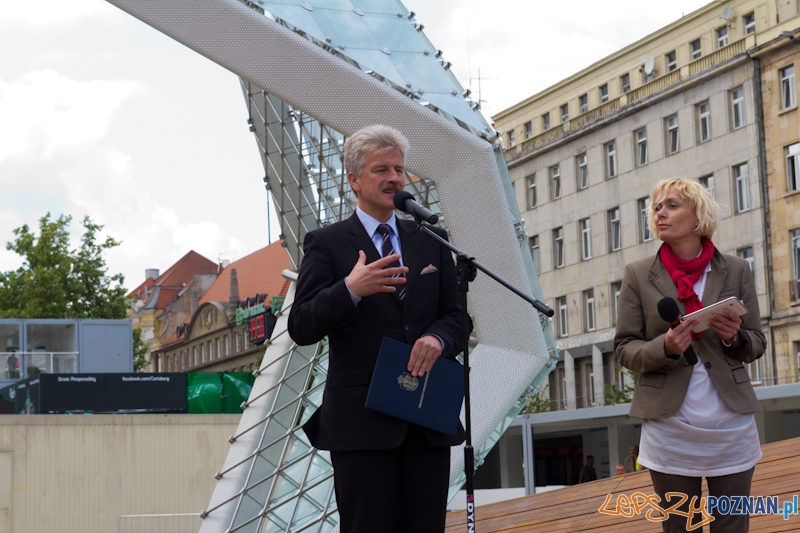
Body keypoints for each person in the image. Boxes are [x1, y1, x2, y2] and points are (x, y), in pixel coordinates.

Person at [288, 124, 468, 533]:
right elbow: (300, 325)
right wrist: (350, 289)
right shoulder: (327, 243)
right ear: (354, 180)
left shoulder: (432, 240)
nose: (394, 179)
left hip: (426, 419)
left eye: (399, 170)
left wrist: (437, 338)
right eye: (381, 169)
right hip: (362, 424)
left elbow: (458, 318)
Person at [614, 178, 765, 533]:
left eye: (671, 205)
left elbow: (757, 340)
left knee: (732, 527)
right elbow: (624, 348)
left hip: (731, 426)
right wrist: (664, 347)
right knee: (681, 528)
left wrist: (735, 338)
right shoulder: (638, 274)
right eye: (656, 207)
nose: (660, 213)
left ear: (698, 215)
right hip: (670, 429)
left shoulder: (736, 269)